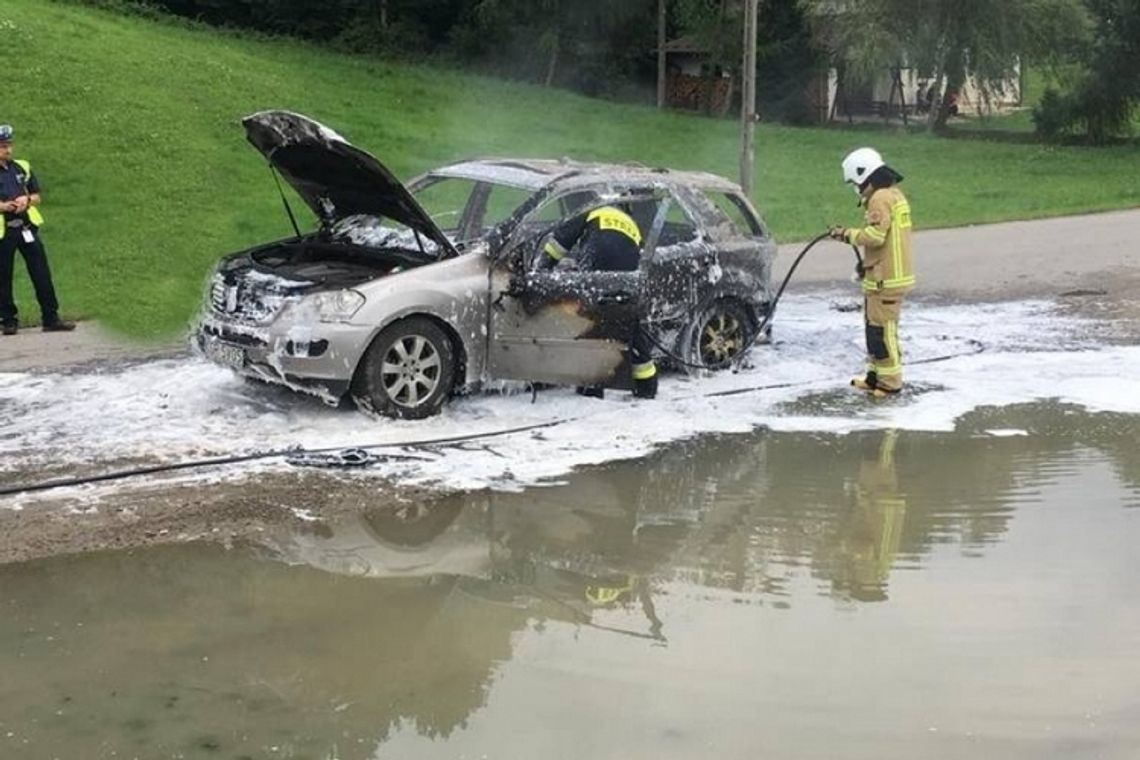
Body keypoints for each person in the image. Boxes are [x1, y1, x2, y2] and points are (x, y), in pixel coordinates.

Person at [540, 203, 657, 400]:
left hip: (598, 263)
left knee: (591, 322)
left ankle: (592, 388)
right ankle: (647, 387)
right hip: (627, 275)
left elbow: (559, 243)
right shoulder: (631, 224)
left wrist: (544, 267)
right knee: (627, 324)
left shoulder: (593, 210)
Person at [829, 147, 914, 397]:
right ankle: (875, 376)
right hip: (883, 276)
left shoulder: (879, 199)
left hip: (886, 280)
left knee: (881, 332)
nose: (856, 190)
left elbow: (875, 237)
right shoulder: (894, 195)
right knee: (873, 329)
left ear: (864, 175)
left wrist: (845, 234)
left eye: (856, 184)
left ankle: (890, 383)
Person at [0, 124, 74, 335]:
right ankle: (8, 320)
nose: (8, 150)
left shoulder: (21, 167)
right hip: (3, 230)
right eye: (3, 146)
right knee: (3, 277)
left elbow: (37, 195)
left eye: (9, 145)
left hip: (26, 227)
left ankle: (51, 317)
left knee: (41, 272)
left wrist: (27, 200)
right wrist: (3, 206)